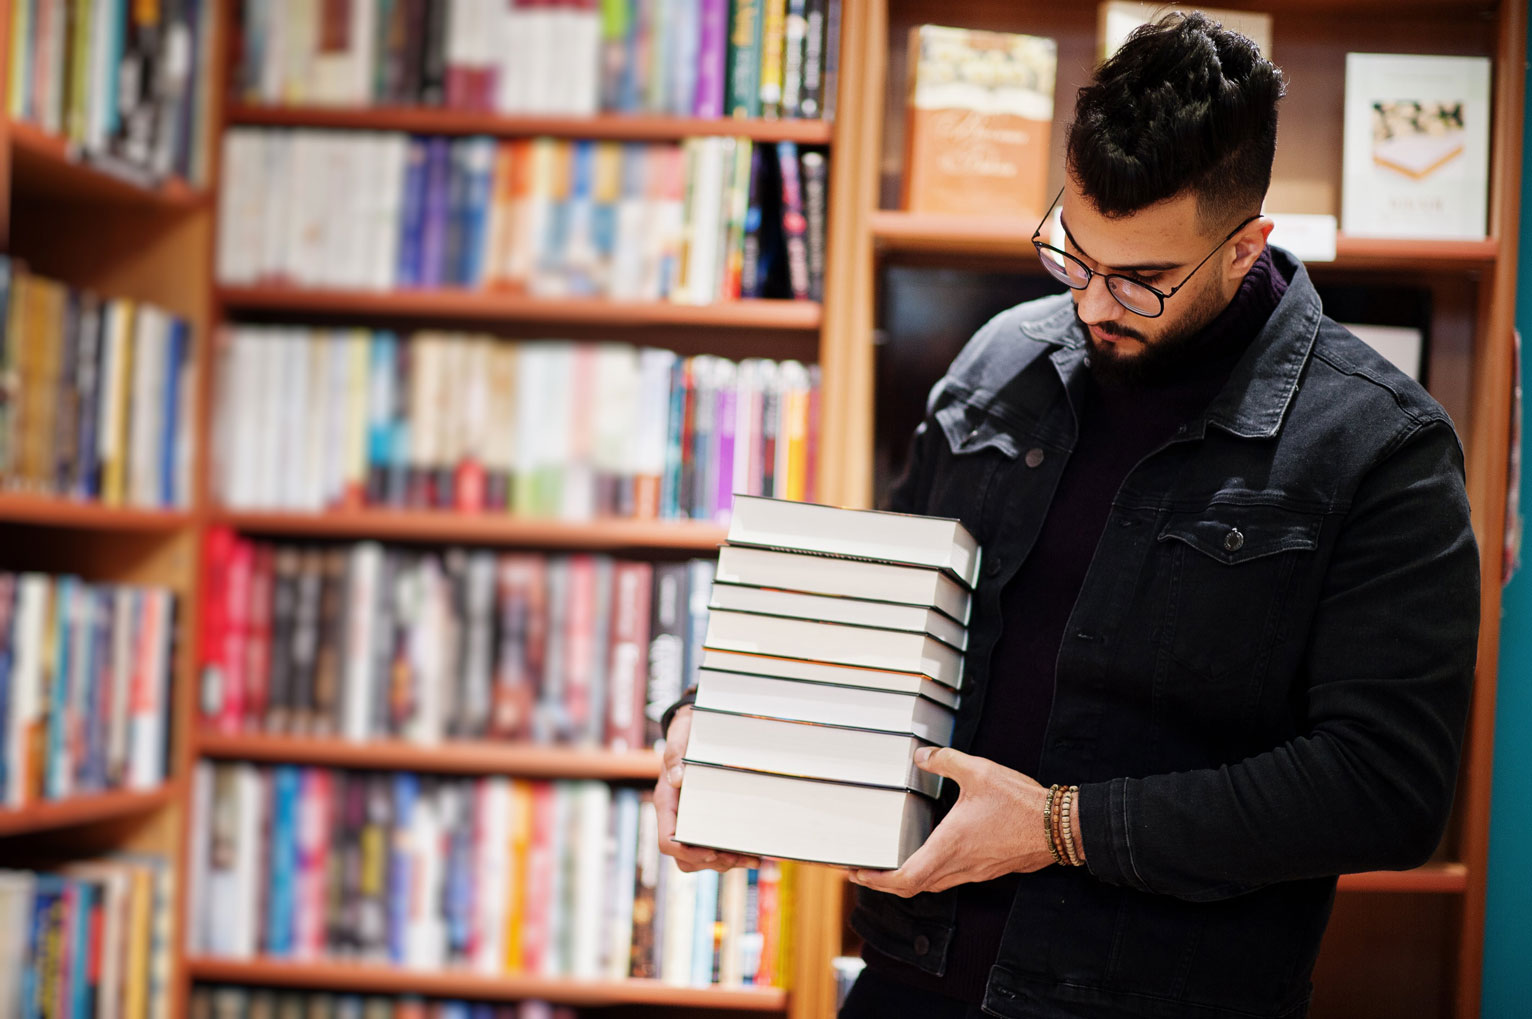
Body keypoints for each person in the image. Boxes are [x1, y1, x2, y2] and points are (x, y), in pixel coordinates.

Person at [654, 12, 1481, 1018]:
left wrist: (1058, 825)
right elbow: (883, 622)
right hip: (908, 978)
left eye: (1140, 280)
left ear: (1245, 245)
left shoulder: (1379, 444)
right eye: (1073, 253)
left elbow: (1382, 788)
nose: (1091, 304)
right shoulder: (1000, 358)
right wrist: (722, 727)